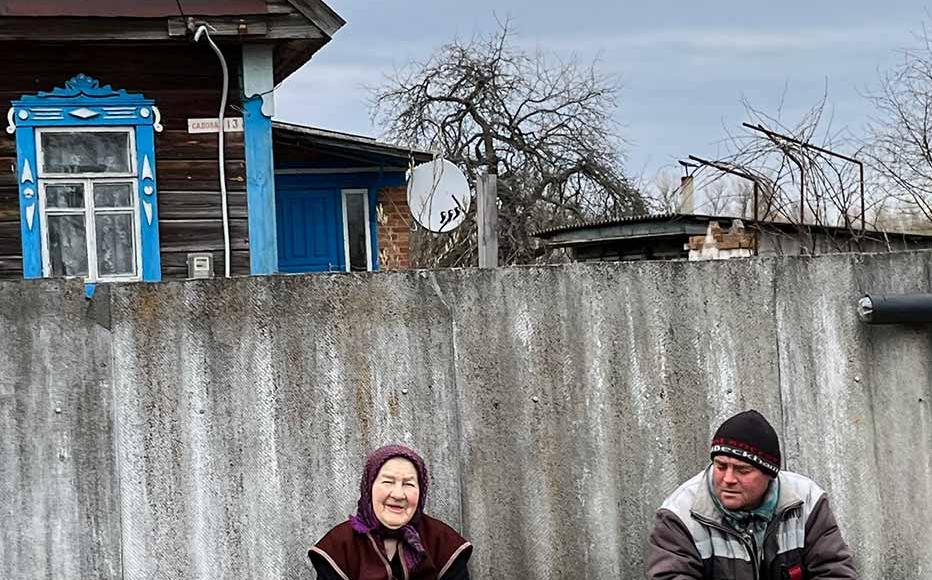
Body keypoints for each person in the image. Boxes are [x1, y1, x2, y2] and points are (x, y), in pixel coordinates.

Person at [646, 410, 858, 579]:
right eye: (721, 466)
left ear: (769, 475)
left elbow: (835, 571)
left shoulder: (807, 501)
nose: (728, 478)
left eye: (742, 470)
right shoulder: (679, 515)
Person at [308, 445, 472, 580]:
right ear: (369, 487)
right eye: (388, 482)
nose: (398, 494)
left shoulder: (442, 542)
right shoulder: (339, 546)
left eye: (408, 484)